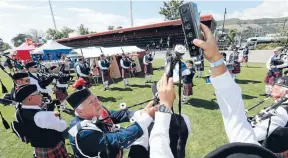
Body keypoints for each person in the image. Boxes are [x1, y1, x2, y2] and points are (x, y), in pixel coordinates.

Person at [149, 23, 280, 158]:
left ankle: (185, 98)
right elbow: (234, 111)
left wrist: (164, 108)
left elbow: (159, 150)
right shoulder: (249, 150)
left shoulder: (249, 149)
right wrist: (215, 58)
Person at [66, 88, 156, 158]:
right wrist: (146, 118)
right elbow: (116, 140)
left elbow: (119, 114)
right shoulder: (82, 133)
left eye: (96, 98)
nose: (97, 103)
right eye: (91, 103)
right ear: (80, 111)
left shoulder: (97, 112)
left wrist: (142, 113)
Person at [11, 84, 68, 158]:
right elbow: (62, 126)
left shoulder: (18, 112)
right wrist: (54, 115)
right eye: (38, 93)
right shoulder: (42, 116)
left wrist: (45, 110)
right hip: (52, 148)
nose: (41, 95)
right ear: (30, 98)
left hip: (39, 147)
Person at [251, 76, 288, 155]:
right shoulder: (281, 105)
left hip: (273, 151)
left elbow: (257, 135)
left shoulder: (282, 111)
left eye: (275, 89)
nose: (271, 91)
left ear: (286, 92)